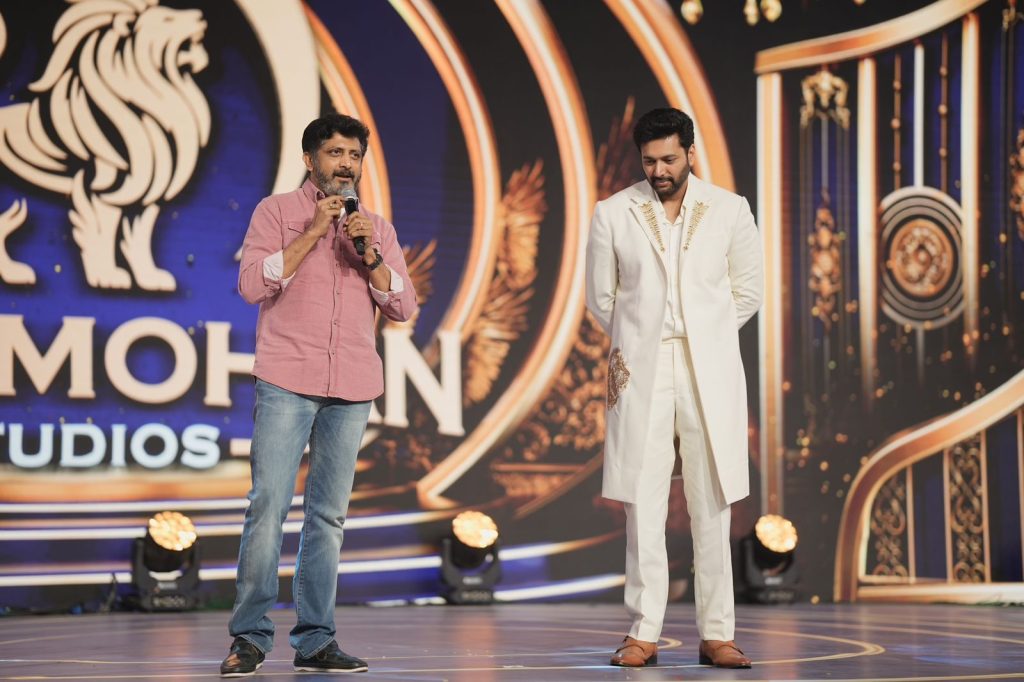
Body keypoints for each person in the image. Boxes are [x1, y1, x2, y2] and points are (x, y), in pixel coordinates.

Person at [220, 113, 418, 677]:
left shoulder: (374, 228)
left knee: (328, 517)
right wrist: (312, 232)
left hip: (352, 384)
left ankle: (315, 640)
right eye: (335, 153)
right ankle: (250, 637)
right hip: (287, 378)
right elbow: (251, 284)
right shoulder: (276, 212)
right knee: (268, 506)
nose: (346, 164)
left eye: (354, 155)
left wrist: (370, 254)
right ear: (310, 160)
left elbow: (403, 306)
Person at [585, 107, 762, 669]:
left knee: (713, 500)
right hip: (643, 367)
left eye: (668, 159)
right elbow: (601, 298)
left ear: (690, 152)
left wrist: (707, 333)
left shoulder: (730, 209)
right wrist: (642, 335)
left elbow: (748, 290)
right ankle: (643, 631)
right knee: (644, 501)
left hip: (709, 364)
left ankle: (718, 633)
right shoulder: (614, 212)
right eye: (649, 161)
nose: (659, 170)